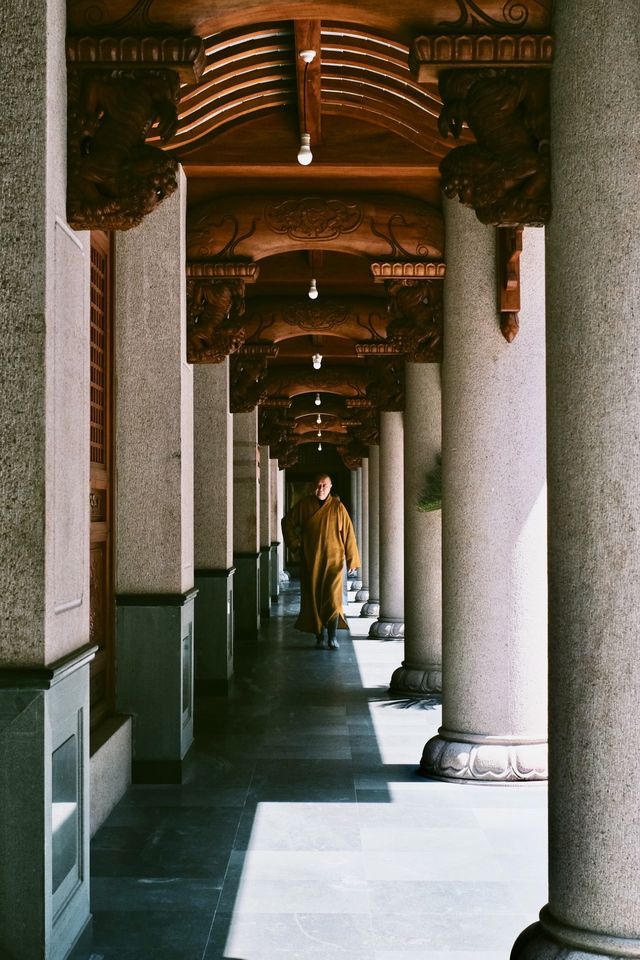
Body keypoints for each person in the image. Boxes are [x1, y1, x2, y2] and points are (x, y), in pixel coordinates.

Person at [281, 473, 360, 650]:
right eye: (318, 485)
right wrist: (295, 545)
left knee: (333, 600)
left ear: (330, 487)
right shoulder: (304, 505)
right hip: (311, 560)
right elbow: (286, 523)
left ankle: (332, 637)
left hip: (335, 562)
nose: (321, 488)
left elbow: (349, 534)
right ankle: (319, 635)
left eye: (324, 485)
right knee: (314, 599)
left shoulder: (338, 507)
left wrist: (352, 560)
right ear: (312, 487)